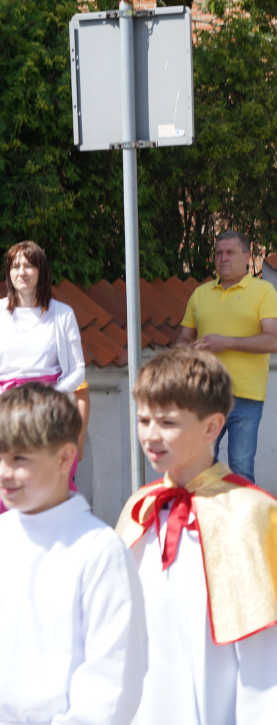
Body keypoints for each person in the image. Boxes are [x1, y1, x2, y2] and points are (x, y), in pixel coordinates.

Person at [118, 346, 277, 724]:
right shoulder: (141, 510)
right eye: (143, 420)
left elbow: (265, 665)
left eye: (167, 422)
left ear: (212, 426)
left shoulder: (251, 513)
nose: (151, 435)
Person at [0, 383, 146, 725]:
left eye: (19, 458)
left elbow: (112, 684)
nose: (4, 472)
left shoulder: (100, 553)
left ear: (66, 457)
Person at [176, 230, 277, 483]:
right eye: (218, 253)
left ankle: (244, 523)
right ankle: (203, 520)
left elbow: (274, 340)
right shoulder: (200, 294)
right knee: (198, 467)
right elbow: (183, 339)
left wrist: (227, 343)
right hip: (204, 394)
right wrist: (185, 353)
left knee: (241, 469)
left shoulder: (264, 292)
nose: (223, 258)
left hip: (246, 396)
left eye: (230, 252)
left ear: (247, 257)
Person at [0, 241, 88, 508]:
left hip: (49, 407)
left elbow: (77, 369)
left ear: (41, 271)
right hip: (5, 408)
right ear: (9, 273)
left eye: (29, 265)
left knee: (49, 485)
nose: (22, 271)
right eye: (15, 266)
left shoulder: (62, 314)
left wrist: (50, 395)